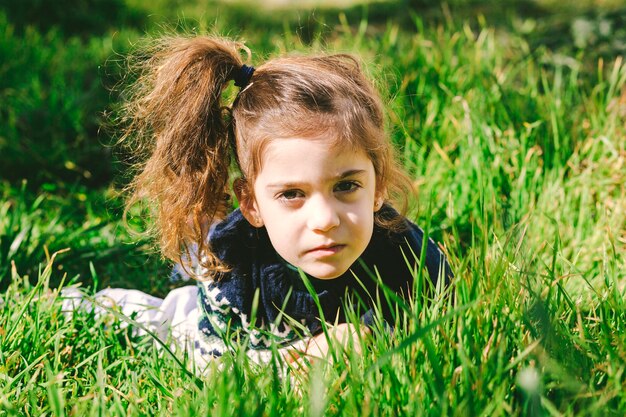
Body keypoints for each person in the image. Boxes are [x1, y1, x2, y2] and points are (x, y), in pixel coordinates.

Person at [65, 36, 451, 370]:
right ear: (251, 204)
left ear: (378, 186)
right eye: (292, 194)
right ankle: (71, 302)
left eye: (346, 186)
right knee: (167, 319)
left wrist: (371, 342)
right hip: (232, 333)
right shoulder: (232, 270)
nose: (325, 220)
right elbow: (214, 368)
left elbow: (446, 334)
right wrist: (298, 360)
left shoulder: (411, 257)